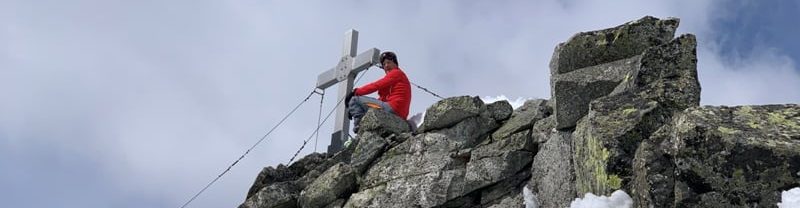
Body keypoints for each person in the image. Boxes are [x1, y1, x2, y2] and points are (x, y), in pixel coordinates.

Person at [345, 51, 411, 133]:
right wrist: (353, 109)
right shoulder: (395, 79)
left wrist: (355, 92)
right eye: (384, 64)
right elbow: (381, 100)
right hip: (399, 113)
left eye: (388, 62)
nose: (386, 65)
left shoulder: (396, 73)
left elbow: (376, 85)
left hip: (393, 108)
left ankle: (359, 129)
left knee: (355, 100)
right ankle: (363, 126)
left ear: (395, 64)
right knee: (362, 105)